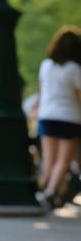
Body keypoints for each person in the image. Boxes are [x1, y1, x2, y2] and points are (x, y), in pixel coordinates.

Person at [35, 25, 81, 210]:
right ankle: (50, 193)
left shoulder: (46, 66)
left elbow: (41, 92)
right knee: (63, 160)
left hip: (47, 115)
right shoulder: (74, 69)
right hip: (68, 117)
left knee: (49, 161)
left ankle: (46, 191)